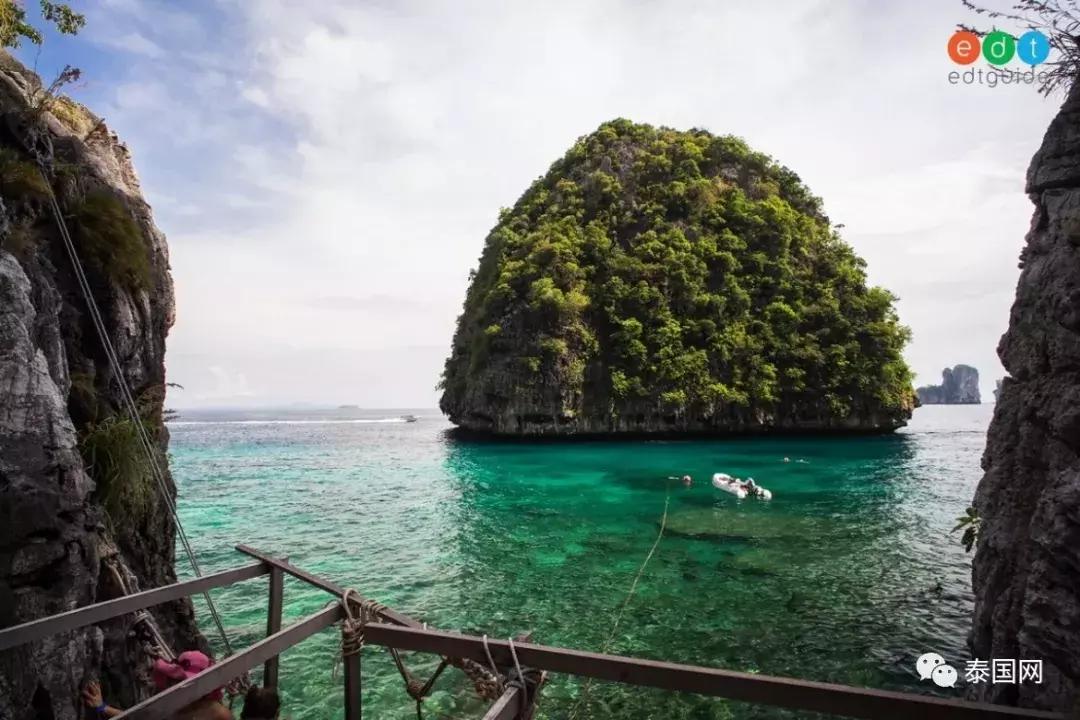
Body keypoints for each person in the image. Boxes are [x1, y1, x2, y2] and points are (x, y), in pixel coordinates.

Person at [83, 651, 233, 720]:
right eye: (181, 680)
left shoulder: (217, 713)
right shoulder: (171, 706)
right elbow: (135, 718)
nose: (185, 687)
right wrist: (102, 707)